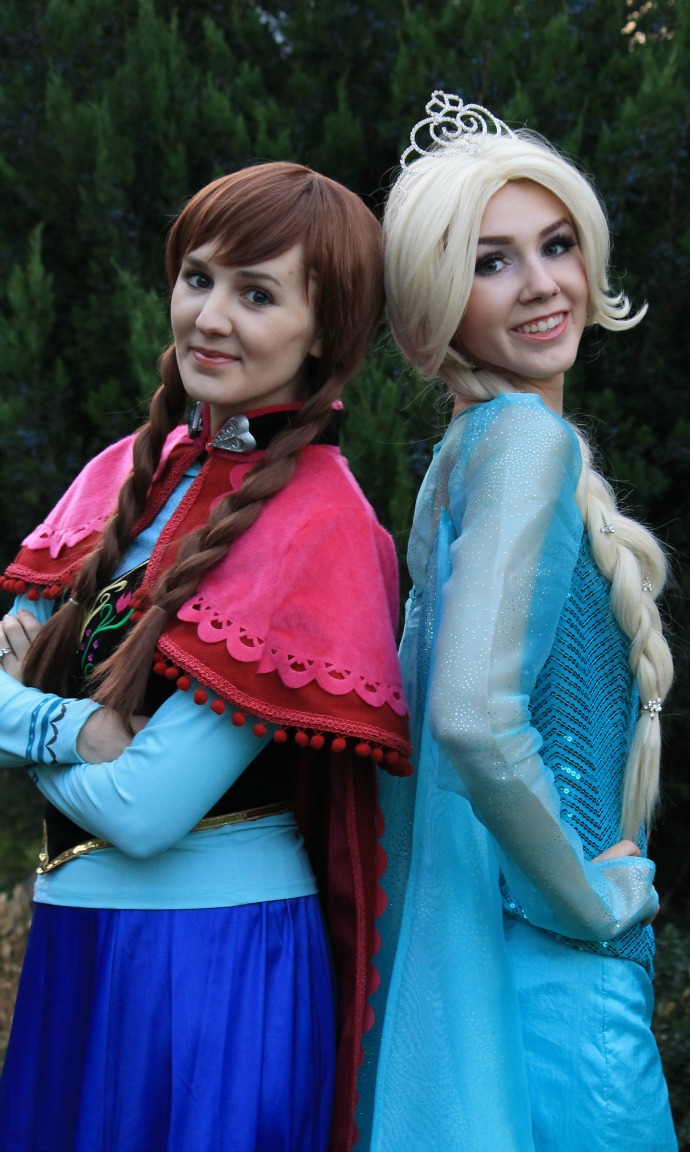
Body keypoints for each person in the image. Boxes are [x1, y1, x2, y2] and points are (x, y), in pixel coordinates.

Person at [0, 160, 411, 1152]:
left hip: (212, 967)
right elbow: (105, 763)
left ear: (326, 329)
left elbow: (144, 809)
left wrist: (22, 714)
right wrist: (76, 729)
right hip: (75, 944)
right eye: (199, 278)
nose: (210, 318)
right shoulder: (120, 474)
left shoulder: (323, 525)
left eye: (257, 294)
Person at [359, 93, 676, 1151]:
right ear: (436, 302)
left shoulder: (467, 453)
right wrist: (592, 901)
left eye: (556, 245)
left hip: (511, 974)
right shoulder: (525, 446)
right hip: (560, 986)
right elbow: (469, 718)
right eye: (491, 261)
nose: (541, 283)